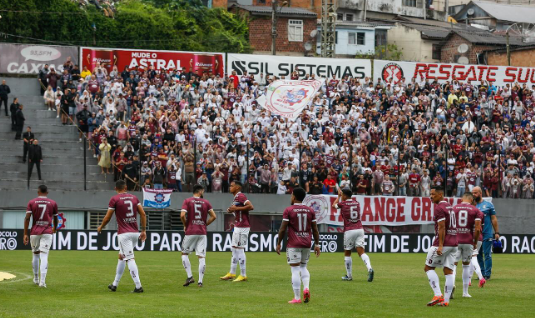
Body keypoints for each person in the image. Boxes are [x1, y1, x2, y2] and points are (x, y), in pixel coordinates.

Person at [97, 180, 147, 293]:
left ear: (116, 188)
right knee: (121, 256)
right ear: (126, 187)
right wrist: (143, 230)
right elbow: (143, 214)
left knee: (129, 258)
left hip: (124, 234)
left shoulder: (114, 199)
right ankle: (115, 284)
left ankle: (138, 286)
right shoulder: (134, 198)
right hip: (135, 232)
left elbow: (108, 217)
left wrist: (101, 226)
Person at [276, 187, 320, 304]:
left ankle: (297, 297)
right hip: (306, 243)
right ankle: (306, 288)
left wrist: (279, 243)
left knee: (295, 270)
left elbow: (283, 229)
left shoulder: (289, 210)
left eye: (291, 195)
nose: (291, 197)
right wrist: (317, 244)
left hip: (293, 244)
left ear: (294, 197)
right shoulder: (310, 210)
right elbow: (315, 230)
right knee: (303, 267)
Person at [424, 186, 458, 307]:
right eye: (430, 194)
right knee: (448, 271)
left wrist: (440, 245)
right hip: (454, 243)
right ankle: (446, 301)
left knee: (428, 268)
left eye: (433, 194)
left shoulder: (439, 208)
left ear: (440, 194)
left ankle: (438, 295)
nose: (431, 196)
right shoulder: (449, 206)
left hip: (444, 243)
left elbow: (442, 227)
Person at [333, 188, 374, 282]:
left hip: (349, 230)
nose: (341, 196)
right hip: (360, 229)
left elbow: (333, 205)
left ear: (345, 196)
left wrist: (338, 197)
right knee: (361, 252)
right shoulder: (357, 203)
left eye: (342, 194)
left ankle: (349, 276)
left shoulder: (342, 203)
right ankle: (369, 268)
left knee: (347, 253)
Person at [180, 184, 217, 287]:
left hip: (191, 231)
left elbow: (182, 215)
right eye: (203, 191)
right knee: (201, 256)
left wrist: (186, 225)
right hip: (202, 232)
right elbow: (214, 216)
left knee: (184, 254)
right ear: (200, 191)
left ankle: (190, 276)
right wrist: (204, 224)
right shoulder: (206, 202)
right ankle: (200, 281)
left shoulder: (187, 201)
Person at [23, 185, 58, 288]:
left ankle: (36, 278)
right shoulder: (52, 203)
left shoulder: (31, 202)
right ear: (47, 192)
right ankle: (42, 282)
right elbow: (56, 218)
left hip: (35, 232)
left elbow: (27, 218)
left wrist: (25, 233)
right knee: (44, 255)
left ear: (38, 192)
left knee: (35, 255)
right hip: (47, 231)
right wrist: (55, 228)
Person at [451, 192, 483, 299]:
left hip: (456, 240)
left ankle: (451, 286)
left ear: (462, 199)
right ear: (471, 200)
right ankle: (465, 292)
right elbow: (478, 228)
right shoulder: (476, 210)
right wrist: (475, 242)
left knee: (453, 265)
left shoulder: (454, 208)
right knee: (465, 266)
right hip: (468, 241)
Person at [220, 181, 254, 282]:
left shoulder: (241, 196)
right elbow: (238, 209)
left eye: (232, 186)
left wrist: (236, 208)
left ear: (238, 188)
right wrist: (232, 209)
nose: (230, 187)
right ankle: (232, 272)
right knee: (234, 249)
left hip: (243, 226)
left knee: (239, 249)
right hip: (238, 225)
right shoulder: (236, 198)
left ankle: (243, 274)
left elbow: (250, 206)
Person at [472, 186, 499, 280]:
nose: (473, 195)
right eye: (472, 193)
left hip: (487, 233)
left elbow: (494, 219)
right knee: (478, 254)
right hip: (477, 235)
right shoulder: (472, 206)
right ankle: (482, 274)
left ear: (480, 193)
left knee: (487, 254)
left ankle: (487, 274)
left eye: (475, 193)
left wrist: (496, 232)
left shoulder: (488, 204)